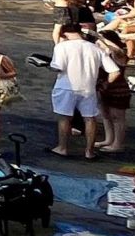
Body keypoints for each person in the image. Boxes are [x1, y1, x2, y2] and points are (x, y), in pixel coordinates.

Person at [48, 24, 119, 161]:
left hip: (66, 86)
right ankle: (89, 151)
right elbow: (114, 71)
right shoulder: (95, 48)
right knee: (90, 118)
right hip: (88, 87)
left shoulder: (62, 47)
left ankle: (62, 148)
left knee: (64, 118)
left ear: (65, 34)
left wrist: (48, 66)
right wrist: (104, 84)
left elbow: (58, 67)